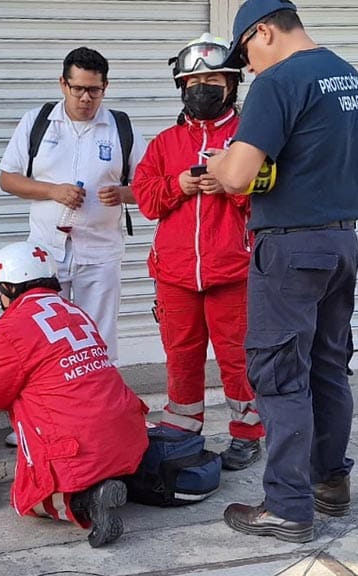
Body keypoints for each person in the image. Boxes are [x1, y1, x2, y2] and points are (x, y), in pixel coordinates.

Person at [207, 0, 358, 543]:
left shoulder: (279, 81)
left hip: (291, 250)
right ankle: (331, 484)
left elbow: (239, 175)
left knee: (279, 377)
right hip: (342, 242)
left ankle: (287, 507)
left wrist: (216, 162)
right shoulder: (348, 75)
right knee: (327, 367)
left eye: (246, 51)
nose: (248, 66)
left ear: (264, 32)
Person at [0, 241, 149, 548]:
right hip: (127, 434)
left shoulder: (11, 327)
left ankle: (89, 502)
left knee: (27, 501)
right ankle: (108, 483)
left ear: (8, 288)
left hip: (76, 446)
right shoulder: (74, 311)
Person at [132, 33, 265, 470]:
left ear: (231, 83)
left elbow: (267, 198)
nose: (202, 88)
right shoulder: (165, 143)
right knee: (182, 357)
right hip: (174, 275)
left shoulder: (250, 137)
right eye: (193, 81)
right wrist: (179, 186)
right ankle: (181, 431)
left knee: (237, 358)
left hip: (233, 270)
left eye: (212, 79)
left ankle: (248, 433)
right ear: (182, 87)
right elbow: (147, 199)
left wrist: (229, 184)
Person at [0, 46, 147, 368]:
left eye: (94, 90)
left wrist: (122, 193)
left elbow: (149, 187)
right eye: (77, 88)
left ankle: (101, 405)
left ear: (105, 88)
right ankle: (52, 402)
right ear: (63, 84)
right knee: (46, 335)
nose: (85, 98)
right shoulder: (37, 122)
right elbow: (8, 180)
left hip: (101, 253)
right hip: (45, 254)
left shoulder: (121, 127)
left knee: (100, 338)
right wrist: (52, 191)